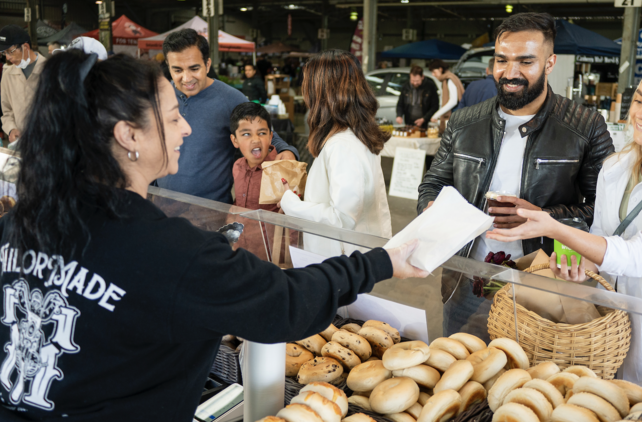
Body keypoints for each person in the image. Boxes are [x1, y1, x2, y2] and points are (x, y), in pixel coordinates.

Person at [0, 49, 426, 422]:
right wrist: (383, 261)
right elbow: (286, 302)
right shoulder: (167, 251)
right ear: (129, 135)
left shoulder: (18, 224)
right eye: (172, 118)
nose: (186, 129)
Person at [487, 55, 642, 399]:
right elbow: (601, 240)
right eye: (639, 100)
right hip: (612, 335)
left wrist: (552, 226)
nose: (640, 114)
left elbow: (640, 256)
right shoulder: (616, 166)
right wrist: (579, 267)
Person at [417, 12, 614, 341]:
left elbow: (605, 214)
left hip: (542, 283)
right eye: (501, 60)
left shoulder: (585, 126)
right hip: (468, 280)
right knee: (462, 374)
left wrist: (542, 217)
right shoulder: (464, 122)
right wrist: (434, 210)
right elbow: (432, 183)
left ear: (550, 63)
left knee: (528, 385)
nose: (510, 73)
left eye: (525, 61)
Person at [155, 29, 298, 204]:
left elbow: (265, 133)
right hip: (163, 206)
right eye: (177, 70)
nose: (186, 78)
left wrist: (286, 150)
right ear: (168, 67)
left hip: (212, 212)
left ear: (207, 65)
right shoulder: (158, 96)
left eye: (194, 68)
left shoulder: (230, 98)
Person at [280, 50, 392, 258]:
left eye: (308, 86)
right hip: (356, 258)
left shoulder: (342, 145)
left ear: (322, 93)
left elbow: (342, 218)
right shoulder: (355, 135)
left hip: (342, 262)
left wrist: (291, 204)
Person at [0, 25, 47, 145]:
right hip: (20, 145)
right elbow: (7, 111)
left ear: (25, 47)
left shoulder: (50, 71)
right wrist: (11, 129)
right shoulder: (7, 75)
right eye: (4, 53)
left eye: (10, 51)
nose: (8, 57)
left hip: (47, 145)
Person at [230, 102, 279, 212]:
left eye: (262, 133)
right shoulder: (237, 166)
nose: (256, 140)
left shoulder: (282, 169)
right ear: (235, 140)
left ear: (270, 137)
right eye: (246, 134)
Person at [428, 59, 465, 125]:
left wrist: (436, 115)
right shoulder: (450, 78)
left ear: (440, 69)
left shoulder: (449, 79)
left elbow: (453, 101)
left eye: (434, 72)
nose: (433, 74)